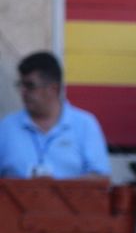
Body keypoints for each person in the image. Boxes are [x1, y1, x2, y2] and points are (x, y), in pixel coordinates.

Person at [0, 52, 110, 180]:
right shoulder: (6, 127)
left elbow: (101, 178)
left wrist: (56, 188)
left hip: (72, 200)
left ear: (54, 89)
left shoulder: (85, 125)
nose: (23, 92)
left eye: (30, 86)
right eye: (21, 85)